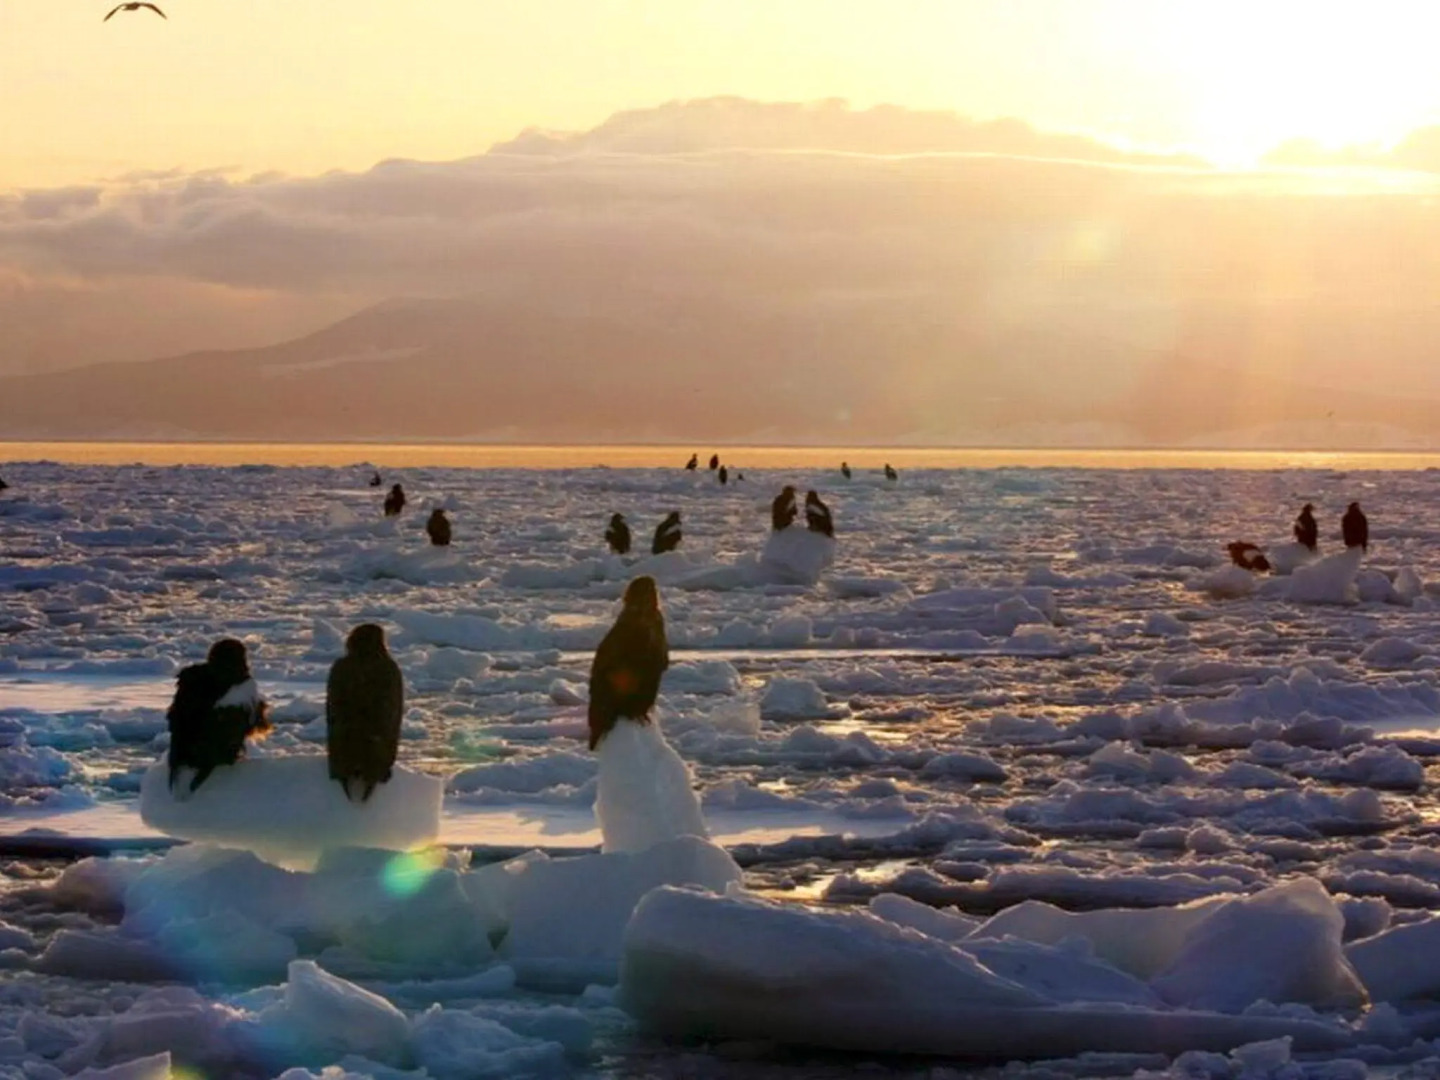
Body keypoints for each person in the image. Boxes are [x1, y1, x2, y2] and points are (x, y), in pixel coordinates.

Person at [166, 639, 271, 794]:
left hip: (183, 750)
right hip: (213, 754)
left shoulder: (192, 679)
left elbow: (179, 722)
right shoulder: (241, 683)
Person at [587, 576, 668, 750]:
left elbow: (658, 660)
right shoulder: (632, 622)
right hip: (619, 695)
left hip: (636, 692)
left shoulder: (648, 620)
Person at [326, 624, 404, 802]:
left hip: (344, 743)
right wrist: (387, 756)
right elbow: (392, 715)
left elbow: (334, 714)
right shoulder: (388, 669)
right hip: (376, 744)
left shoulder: (342, 668)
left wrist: (336, 759)